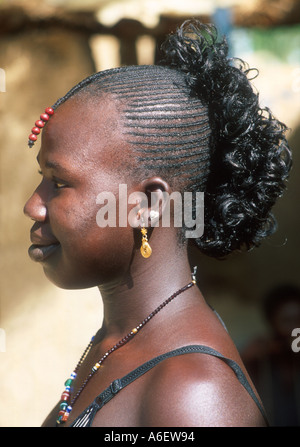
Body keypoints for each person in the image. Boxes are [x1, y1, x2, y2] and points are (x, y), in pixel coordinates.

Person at [23, 20, 291, 427]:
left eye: (58, 183)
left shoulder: (194, 395)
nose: (33, 206)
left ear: (148, 204)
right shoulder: (118, 341)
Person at [242, 285, 300, 426]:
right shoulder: (260, 351)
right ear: (272, 322)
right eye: (287, 321)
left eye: (299, 319)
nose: (295, 327)